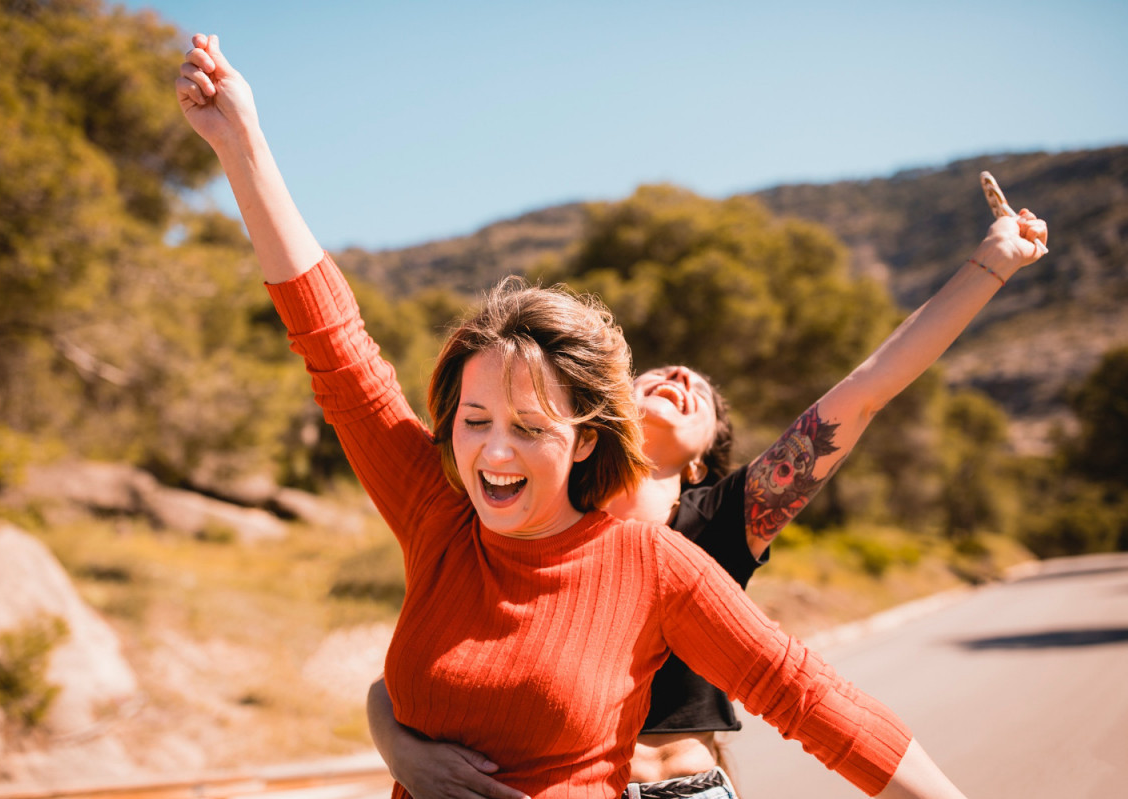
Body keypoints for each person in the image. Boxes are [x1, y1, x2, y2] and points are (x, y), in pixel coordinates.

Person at [175, 33, 1047, 799]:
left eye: (527, 422)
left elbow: (807, 693)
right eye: (474, 419)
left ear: (583, 435)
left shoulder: (676, 548)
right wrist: (241, 141)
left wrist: (987, 268)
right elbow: (334, 346)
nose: (493, 447)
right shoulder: (437, 514)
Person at [364, 205, 1049, 799]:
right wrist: (397, 744)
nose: (682, 377)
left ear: (701, 457)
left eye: (702, 397)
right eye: (658, 374)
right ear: (590, 419)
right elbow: (425, 673)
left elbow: (867, 388)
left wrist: (989, 265)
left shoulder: (723, 519)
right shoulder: (519, 512)